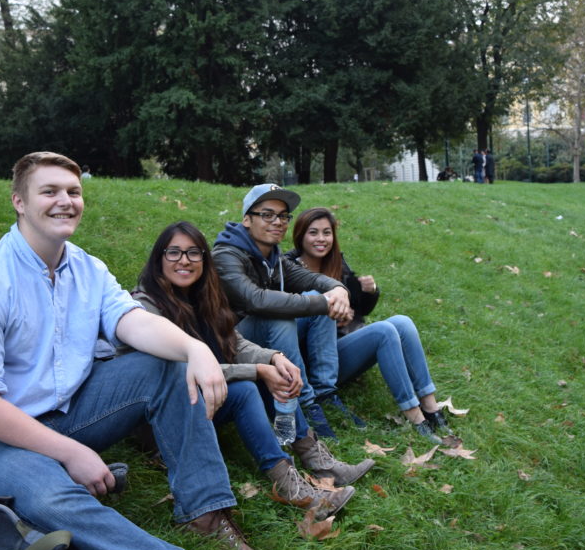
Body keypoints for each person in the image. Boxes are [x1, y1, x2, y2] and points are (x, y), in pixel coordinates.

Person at [0, 152, 264, 550]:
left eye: (73, 191)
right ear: (19, 202)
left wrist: (193, 347)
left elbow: (133, 322)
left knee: (166, 365)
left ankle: (206, 516)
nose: (64, 201)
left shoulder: (88, 268)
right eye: (48, 191)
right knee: (50, 498)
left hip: (66, 413)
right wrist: (71, 453)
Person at [130, 221, 373, 514]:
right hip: (163, 419)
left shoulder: (201, 296)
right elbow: (178, 371)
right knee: (247, 387)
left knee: (277, 375)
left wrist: (272, 358)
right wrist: (257, 371)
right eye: (174, 253)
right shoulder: (145, 307)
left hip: (202, 400)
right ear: (159, 259)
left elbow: (235, 341)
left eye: (194, 253)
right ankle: (289, 485)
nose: (185, 260)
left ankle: (318, 461)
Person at [285, 207, 456, 445]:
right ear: (300, 235)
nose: (321, 239)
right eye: (313, 233)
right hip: (311, 362)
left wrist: (369, 292)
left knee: (402, 322)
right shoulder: (288, 267)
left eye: (327, 232)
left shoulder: (336, 263)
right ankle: (415, 418)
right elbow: (290, 324)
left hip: (339, 347)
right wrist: (330, 313)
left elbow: (359, 307)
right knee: (384, 331)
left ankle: (430, 407)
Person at [211, 183, 364, 441]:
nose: (278, 222)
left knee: (315, 300)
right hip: (231, 344)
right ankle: (304, 403)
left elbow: (314, 280)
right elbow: (255, 300)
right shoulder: (226, 255)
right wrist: (323, 302)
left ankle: (324, 393)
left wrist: (339, 290)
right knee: (283, 315)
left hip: (265, 341)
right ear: (247, 219)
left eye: (283, 216)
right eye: (267, 214)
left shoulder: (275, 260)